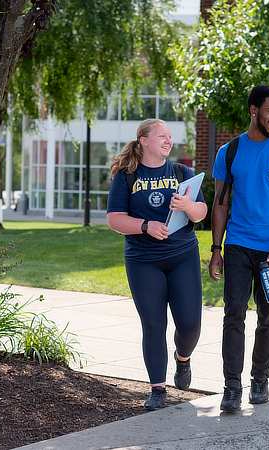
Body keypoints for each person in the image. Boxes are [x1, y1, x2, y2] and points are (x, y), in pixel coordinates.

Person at [209, 84, 269, 412]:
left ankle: (260, 378)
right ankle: (232, 386)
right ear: (254, 111)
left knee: (268, 315)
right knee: (233, 312)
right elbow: (220, 204)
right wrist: (216, 249)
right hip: (237, 244)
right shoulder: (230, 152)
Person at [106, 118, 208, 411]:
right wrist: (146, 225)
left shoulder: (181, 172)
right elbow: (114, 219)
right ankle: (157, 389)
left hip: (182, 256)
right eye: (161, 136)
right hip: (143, 261)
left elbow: (200, 212)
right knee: (153, 325)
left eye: (170, 137)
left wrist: (188, 207)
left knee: (189, 325)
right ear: (144, 141)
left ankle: (183, 358)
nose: (168, 141)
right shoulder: (127, 177)